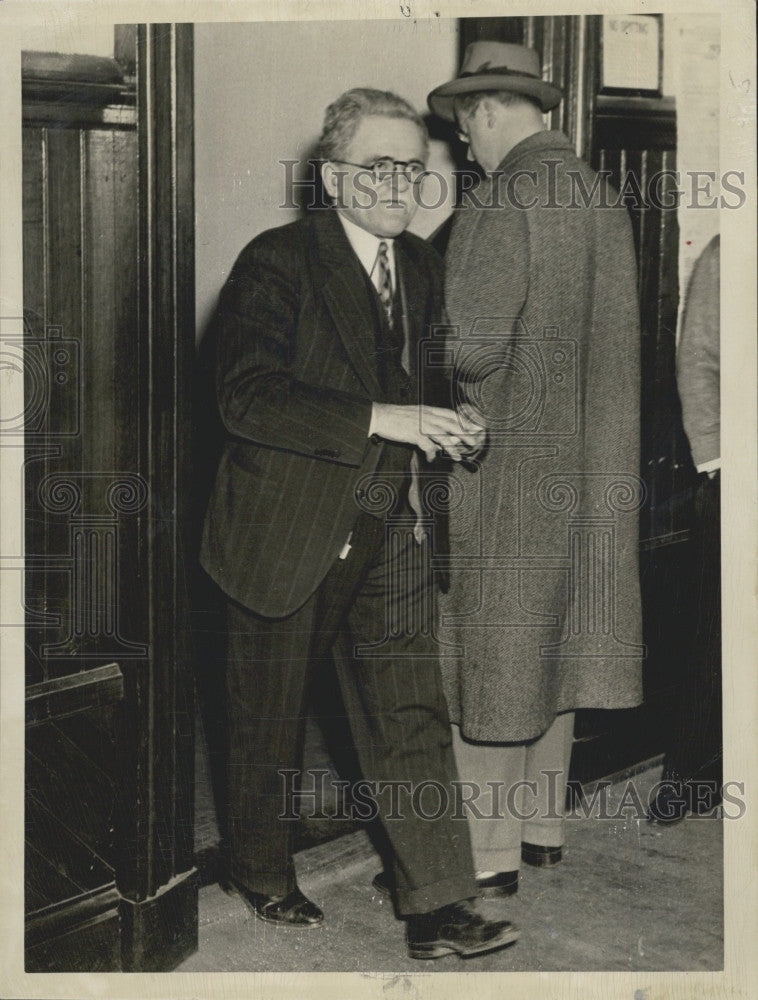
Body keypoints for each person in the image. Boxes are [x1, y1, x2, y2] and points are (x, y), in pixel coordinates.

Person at [199, 87, 519, 960]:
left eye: (412, 167)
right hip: (282, 527)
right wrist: (386, 417)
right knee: (264, 714)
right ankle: (260, 870)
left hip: (388, 522)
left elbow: (429, 385)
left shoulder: (422, 265)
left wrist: (458, 419)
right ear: (333, 175)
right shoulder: (276, 262)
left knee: (408, 712)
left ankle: (439, 904)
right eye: (377, 166)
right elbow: (244, 396)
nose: (398, 184)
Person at [425, 43, 644, 894]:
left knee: (494, 657)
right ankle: (542, 831)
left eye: (462, 132)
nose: (464, 149)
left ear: (484, 112)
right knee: (557, 647)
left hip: (509, 470)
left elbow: (472, 348)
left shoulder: (500, 198)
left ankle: (486, 858)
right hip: (591, 470)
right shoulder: (598, 193)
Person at [648, 234, 722, 823]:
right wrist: (720, 461)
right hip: (740, 482)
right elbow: (696, 361)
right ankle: (693, 782)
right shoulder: (731, 252)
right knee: (719, 639)